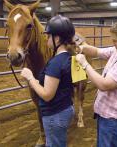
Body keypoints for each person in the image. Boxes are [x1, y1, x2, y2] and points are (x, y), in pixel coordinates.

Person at [75, 20, 117, 147]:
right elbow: (97, 51)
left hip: (114, 119)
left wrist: (84, 64)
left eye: (115, 40)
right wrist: (82, 47)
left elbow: (105, 85)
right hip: (107, 115)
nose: (113, 44)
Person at [21, 15, 75, 147]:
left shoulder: (56, 63)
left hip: (54, 115)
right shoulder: (69, 57)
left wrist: (30, 77)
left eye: (48, 36)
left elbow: (47, 95)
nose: (46, 39)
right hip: (65, 108)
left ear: (57, 39)